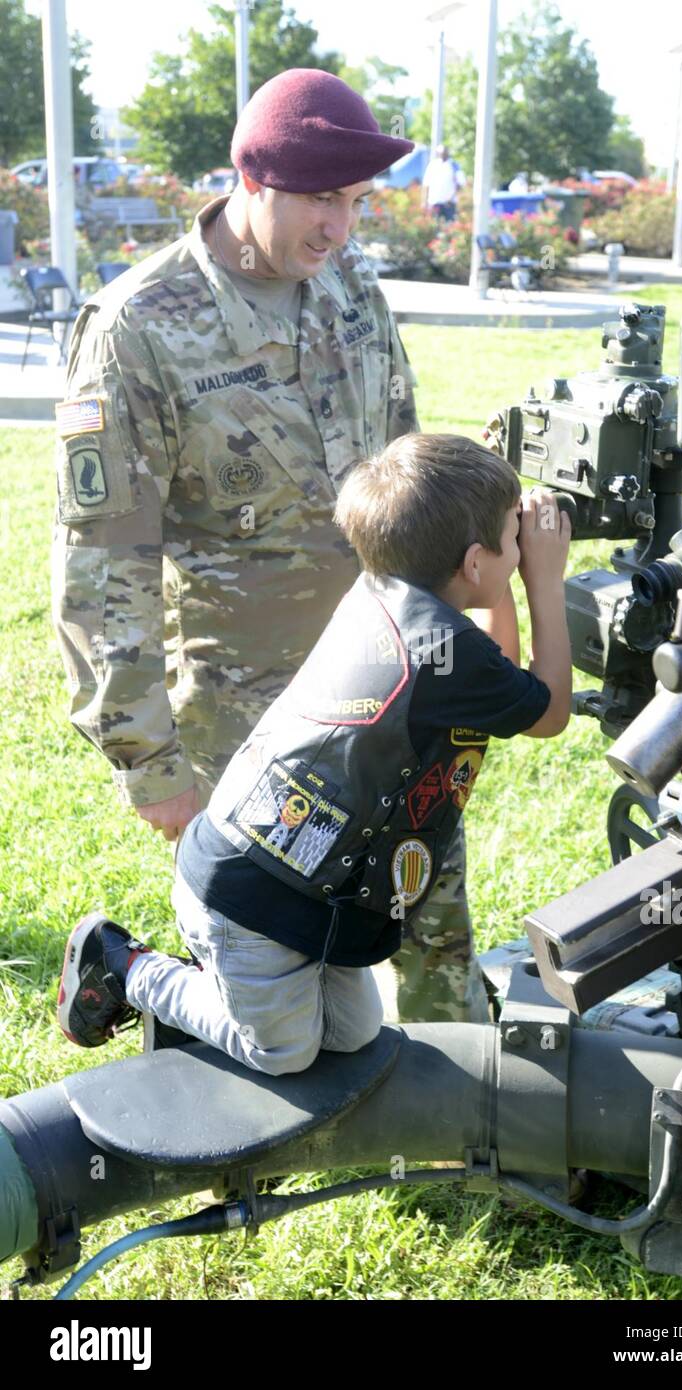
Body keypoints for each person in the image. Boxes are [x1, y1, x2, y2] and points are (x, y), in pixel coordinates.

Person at [51, 69, 492, 1027]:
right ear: (251, 180)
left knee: (424, 887)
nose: (341, 229)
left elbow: (406, 462)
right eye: (322, 201)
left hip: (386, 663)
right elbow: (102, 560)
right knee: (267, 947)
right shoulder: (139, 328)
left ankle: (465, 1093)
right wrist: (148, 760)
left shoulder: (351, 287)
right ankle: (155, 1005)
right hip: (245, 698)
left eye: (357, 202)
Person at [57, 434, 572, 1072]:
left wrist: (512, 566)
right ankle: (125, 968)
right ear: (473, 563)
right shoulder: (446, 652)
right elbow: (548, 712)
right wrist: (545, 581)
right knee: (282, 1053)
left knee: (354, 1036)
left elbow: (498, 670)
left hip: (299, 889)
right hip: (245, 899)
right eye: (513, 538)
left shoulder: (385, 592)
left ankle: (227, 997)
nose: (524, 550)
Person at [422, 144, 463, 223]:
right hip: (434, 202)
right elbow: (426, 184)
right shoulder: (432, 165)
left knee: (449, 227)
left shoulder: (454, 165)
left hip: (449, 204)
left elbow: (460, 184)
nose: (442, 155)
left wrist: (451, 198)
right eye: (440, 153)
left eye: (444, 153)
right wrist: (424, 201)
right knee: (434, 226)